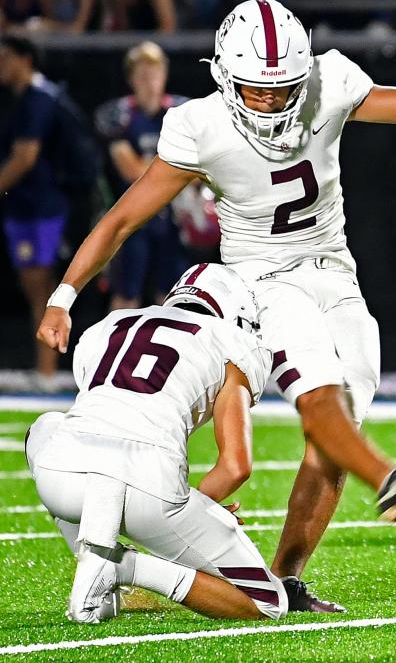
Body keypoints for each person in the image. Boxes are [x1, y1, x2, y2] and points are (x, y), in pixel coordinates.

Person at [37, 0, 396, 611]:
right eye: (254, 89)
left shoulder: (329, 81)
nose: (268, 100)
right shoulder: (200, 125)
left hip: (335, 272)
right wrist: (64, 294)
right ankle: (390, 478)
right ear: (224, 77)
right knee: (321, 399)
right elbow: (123, 218)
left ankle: (286, 575)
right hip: (261, 280)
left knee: (334, 436)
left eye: (281, 87)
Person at [26, 263, 288, 623]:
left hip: (61, 479)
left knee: (44, 428)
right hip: (149, 490)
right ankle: (122, 569)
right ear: (237, 315)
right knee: (268, 602)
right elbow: (235, 466)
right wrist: (199, 513)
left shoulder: (111, 325)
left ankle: (96, 564)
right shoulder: (232, 344)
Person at [94, 42, 190, 310]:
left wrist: (158, 166)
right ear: (131, 78)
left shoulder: (182, 113)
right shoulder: (119, 116)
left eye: (154, 73)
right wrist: (174, 165)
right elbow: (133, 171)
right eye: (142, 74)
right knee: (126, 296)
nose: (149, 81)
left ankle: (171, 350)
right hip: (132, 218)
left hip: (173, 218)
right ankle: (118, 352)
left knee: (172, 297)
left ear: (165, 75)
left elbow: (197, 169)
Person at [0, 35, 72, 388]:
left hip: (41, 210)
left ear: (25, 59)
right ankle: (44, 369)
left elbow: (24, 157)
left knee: (41, 286)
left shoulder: (37, 100)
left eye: (5, 57)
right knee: (35, 286)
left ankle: (46, 372)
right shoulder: (27, 99)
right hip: (30, 207)